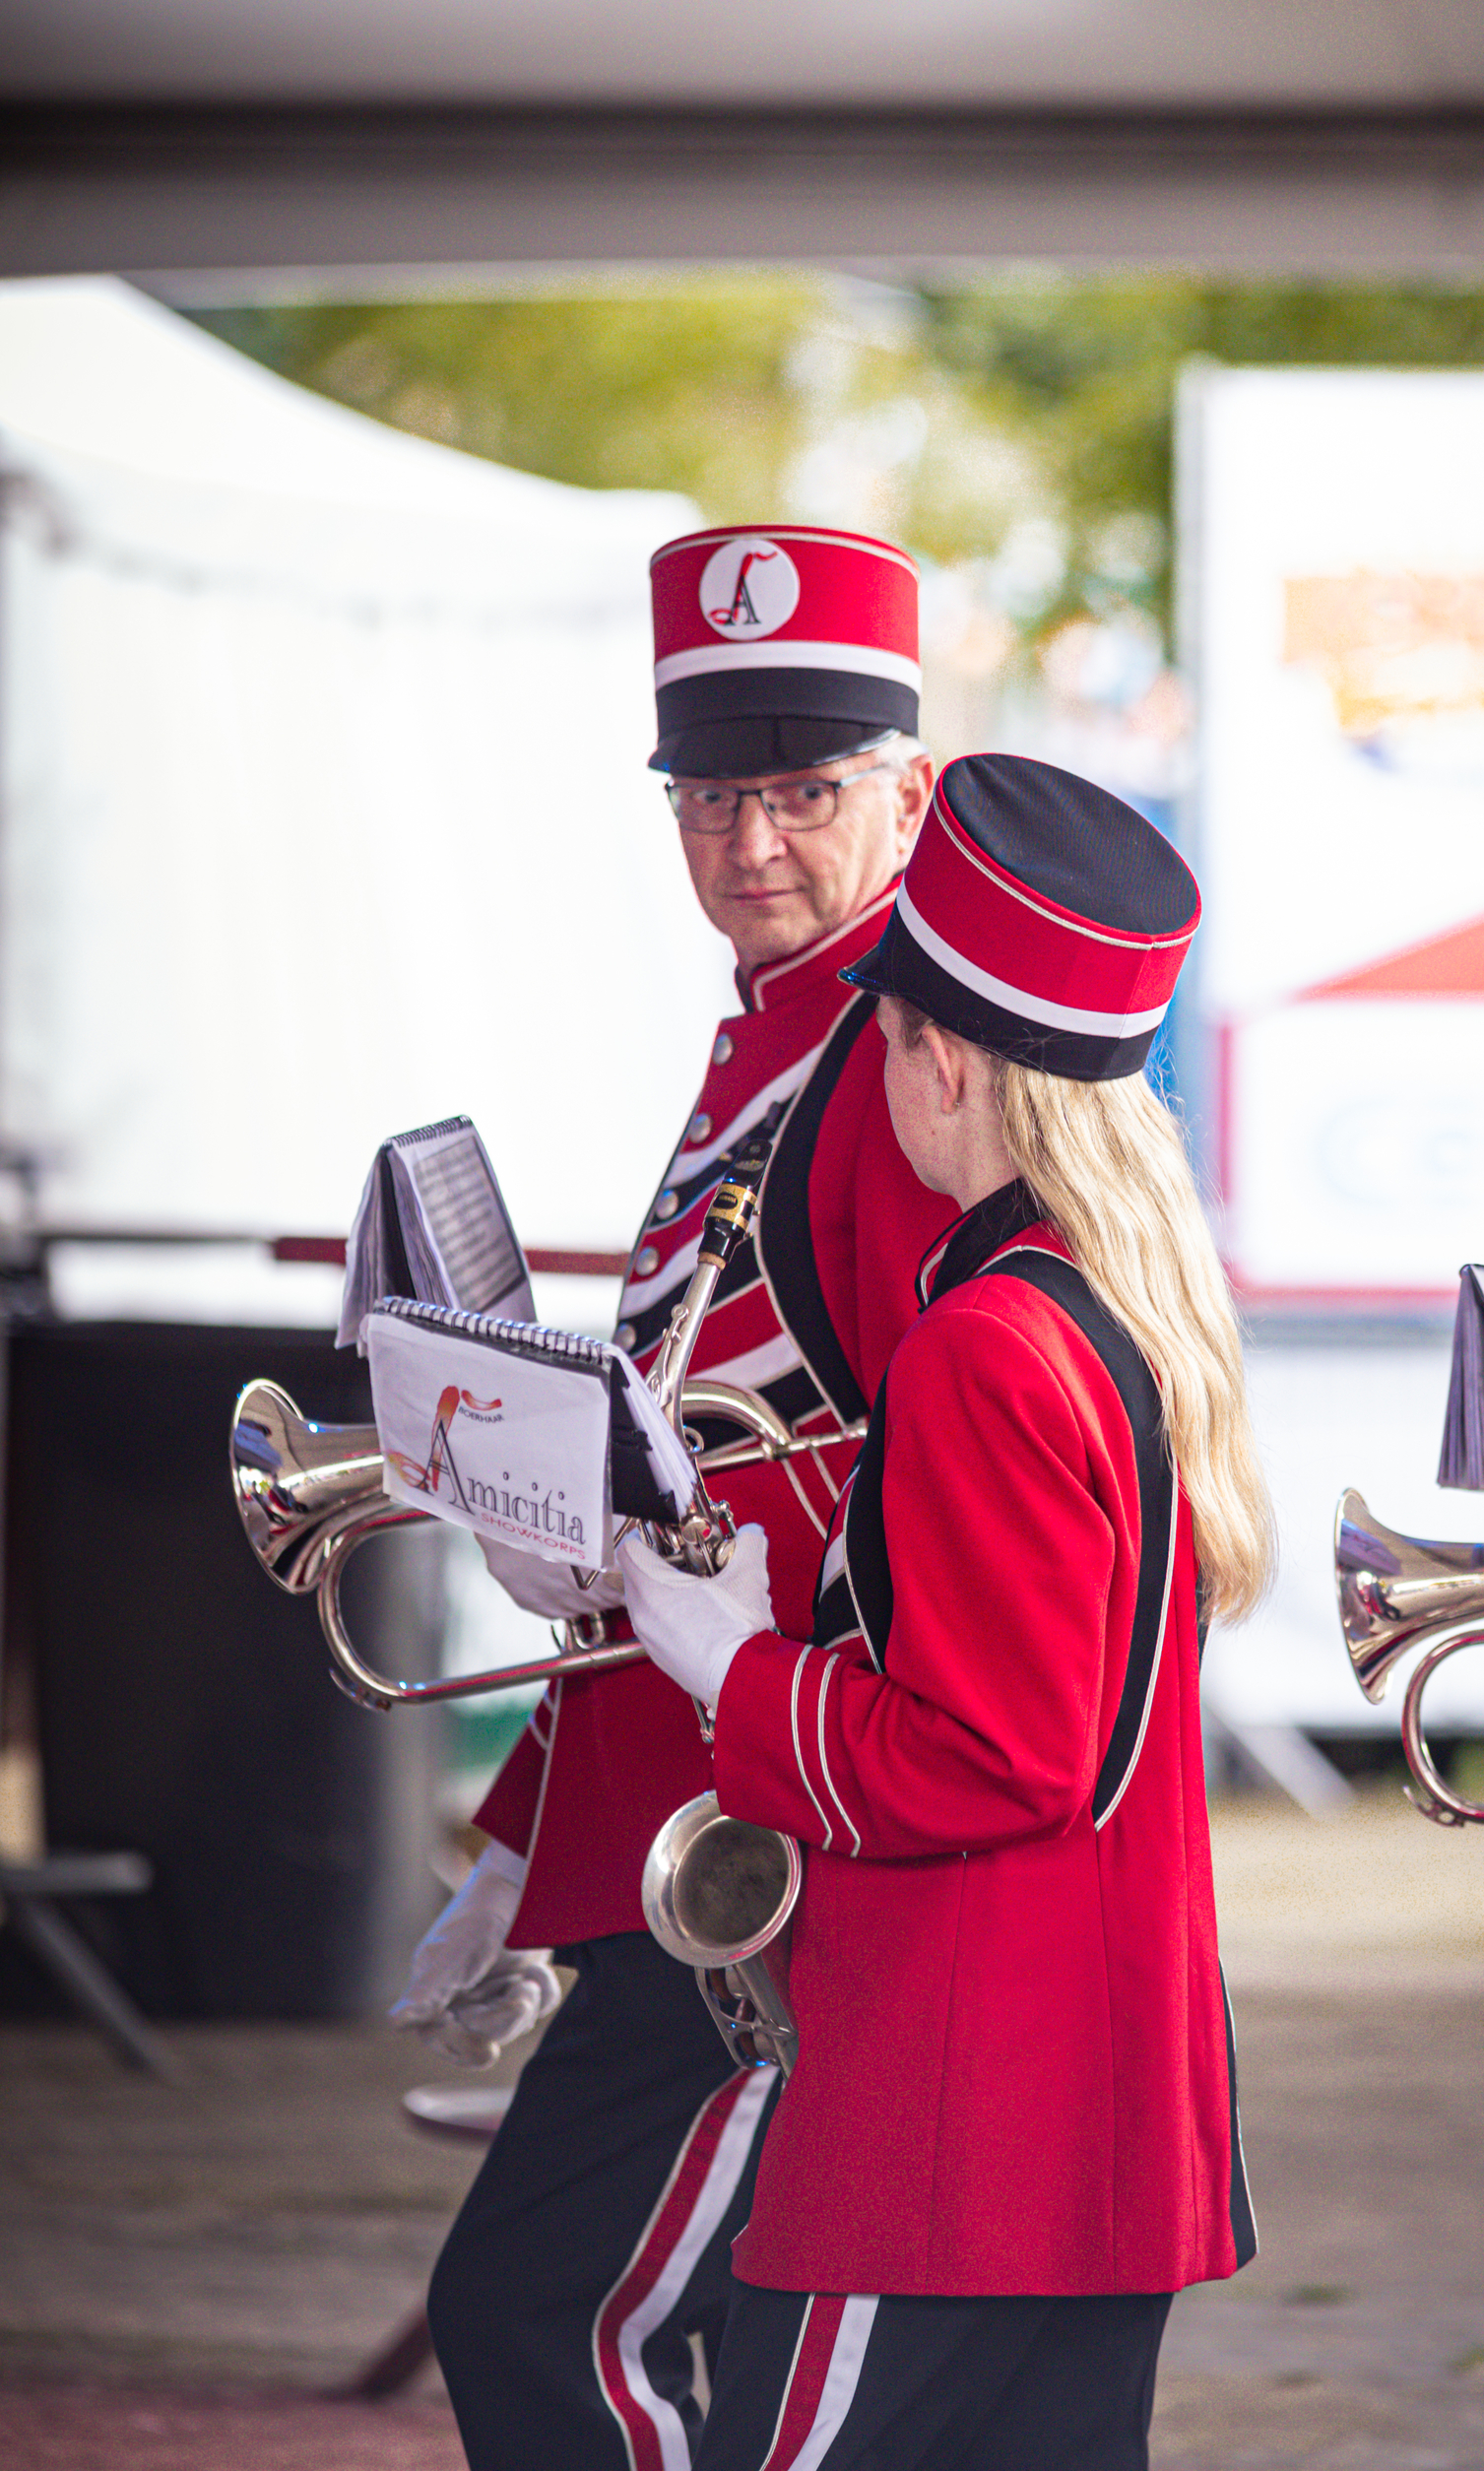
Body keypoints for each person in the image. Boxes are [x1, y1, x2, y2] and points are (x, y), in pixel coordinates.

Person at [618, 752, 1271, 2471]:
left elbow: (999, 1757)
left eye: (892, 1038)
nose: (879, 1072)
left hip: (953, 2125)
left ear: (947, 1058)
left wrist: (736, 1669)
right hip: (1085, 2123)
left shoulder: (985, 1340)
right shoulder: (1103, 1301)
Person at [401, 524, 959, 2470]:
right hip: (691, 1801)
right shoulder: (768, 1041)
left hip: (780, 1833)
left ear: (909, 785)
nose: (748, 844)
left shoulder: (904, 1060)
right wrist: (520, 1823)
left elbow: (917, 1469)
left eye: (803, 791)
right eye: (709, 794)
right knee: (682, 2348)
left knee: (556, 2322)